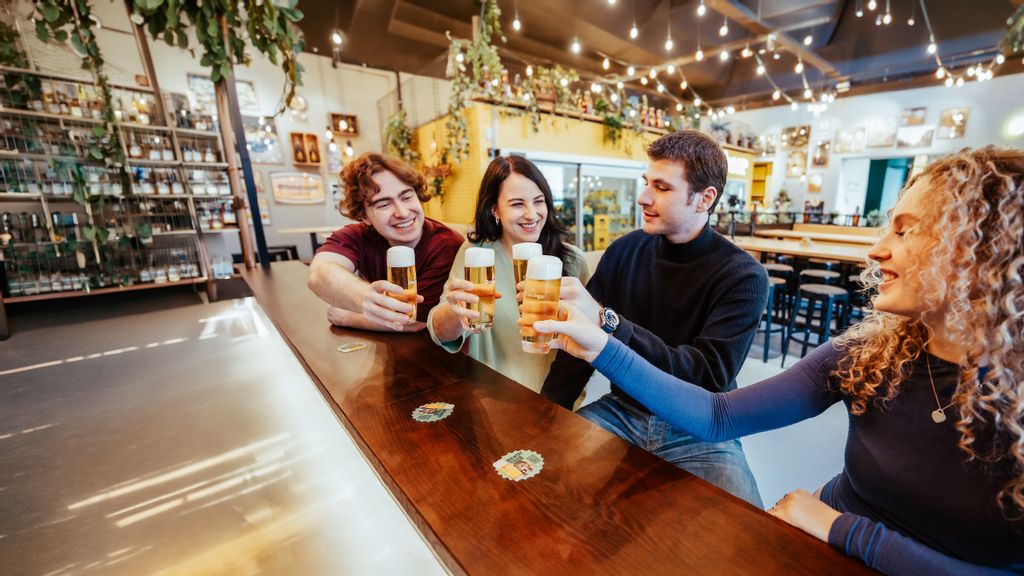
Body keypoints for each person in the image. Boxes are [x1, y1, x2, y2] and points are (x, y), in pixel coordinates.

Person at [533, 147, 1024, 575]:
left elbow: (709, 383)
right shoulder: (870, 352)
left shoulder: (741, 273)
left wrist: (846, 530)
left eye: (905, 230)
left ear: (981, 251)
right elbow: (718, 414)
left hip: (826, 528)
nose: (877, 249)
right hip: (811, 531)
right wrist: (598, 343)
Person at [540, 130, 768, 507]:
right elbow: (575, 351)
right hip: (622, 412)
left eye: (661, 187)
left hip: (700, 427)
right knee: (539, 481)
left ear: (705, 198)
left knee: (745, 531)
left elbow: (705, 374)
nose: (643, 197)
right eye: (647, 182)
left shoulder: (743, 276)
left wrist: (609, 323)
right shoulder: (622, 252)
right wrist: (547, 414)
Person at [427, 155, 589, 393]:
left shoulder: (573, 261)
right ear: (495, 209)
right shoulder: (477, 253)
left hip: (556, 401)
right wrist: (454, 312)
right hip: (491, 397)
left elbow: (590, 342)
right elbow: (439, 333)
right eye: (517, 204)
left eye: (539, 201)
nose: (532, 214)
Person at [308, 152, 463, 332]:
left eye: (407, 197)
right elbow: (318, 273)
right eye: (384, 204)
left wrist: (349, 317)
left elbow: (418, 321)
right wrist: (364, 296)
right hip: (383, 345)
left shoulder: (446, 245)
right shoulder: (359, 235)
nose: (403, 212)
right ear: (365, 216)